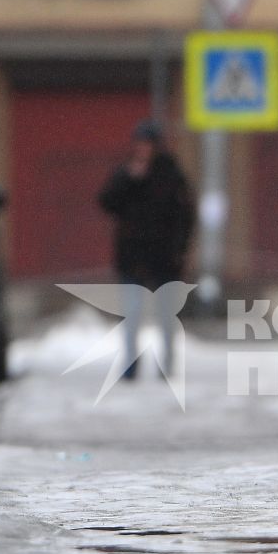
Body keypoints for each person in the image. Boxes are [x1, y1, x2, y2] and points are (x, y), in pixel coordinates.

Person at [96, 120, 195, 379]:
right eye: (139, 144)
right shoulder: (126, 173)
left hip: (165, 258)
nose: (143, 150)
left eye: (147, 144)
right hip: (132, 257)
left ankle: (167, 363)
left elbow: (185, 215)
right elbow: (106, 202)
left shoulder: (171, 175)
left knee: (166, 316)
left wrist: (181, 250)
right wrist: (128, 180)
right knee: (131, 314)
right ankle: (130, 365)